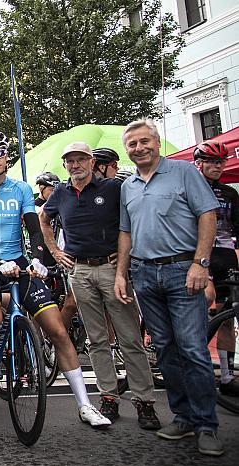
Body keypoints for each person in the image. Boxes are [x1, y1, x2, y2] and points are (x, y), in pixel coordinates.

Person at [0, 130, 110, 429]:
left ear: (7, 154)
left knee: (58, 331)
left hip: (19, 264)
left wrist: (39, 259)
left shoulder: (21, 189)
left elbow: (34, 227)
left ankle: (85, 404)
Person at [114, 119, 223, 456]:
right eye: (132, 144)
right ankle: (183, 416)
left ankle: (207, 424)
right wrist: (121, 273)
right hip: (145, 274)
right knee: (165, 349)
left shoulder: (184, 172)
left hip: (182, 271)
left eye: (144, 141)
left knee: (193, 349)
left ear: (157, 142)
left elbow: (208, 215)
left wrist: (200, 263)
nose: (139, 148)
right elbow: (125, 233)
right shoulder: (128, 185)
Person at [39, 141, 160, 429]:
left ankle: (144, 402)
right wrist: (55, 251)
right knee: (96, 340)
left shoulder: (112, 188)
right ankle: (108, 397)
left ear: (92, 162)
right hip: (79, 271)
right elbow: (43, 218)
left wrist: (125, 252)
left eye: (81, 159)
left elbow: (132, 220)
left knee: (129, 337)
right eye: (70, 160)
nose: (75, 165)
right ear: (65, 164)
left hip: (111, 269)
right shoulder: (61, 192)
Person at [193, 140, 239, 396]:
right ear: (199, 163)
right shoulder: (189, 190)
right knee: (206, 299)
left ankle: (227, 375)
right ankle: (195, 364)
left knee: (227, 316)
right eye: (211, 161)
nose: (217, 166)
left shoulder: (230, 194)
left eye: (220, 162)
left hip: (226, 256)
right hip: (201, 255)